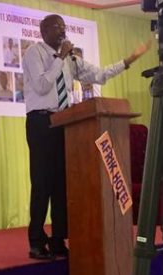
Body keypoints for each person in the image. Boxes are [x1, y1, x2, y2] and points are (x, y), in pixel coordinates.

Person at [22, 14, 150, 259]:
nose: (62, 32)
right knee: (42, 183)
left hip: (64, 121)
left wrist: (129, 60)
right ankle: (36, 241)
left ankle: (58, 239)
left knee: (61, 184)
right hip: (40, 122)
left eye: (63, 27)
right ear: (44, 30)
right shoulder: (34, 54)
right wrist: (60, 58)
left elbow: (99, 75)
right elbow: (42, 86)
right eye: (57, 27)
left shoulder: (70, 58)